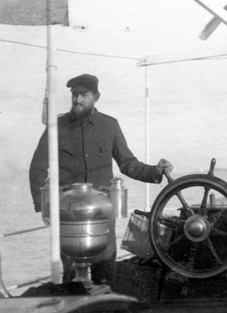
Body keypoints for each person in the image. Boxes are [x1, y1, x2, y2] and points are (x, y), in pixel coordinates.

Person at [29, 73, 173, 285]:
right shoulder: (56, 127)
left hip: (103, 212)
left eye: (83, 95)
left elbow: (128, 164)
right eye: (74, 95)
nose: (77, 100)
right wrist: (45, 205)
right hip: (69, 215)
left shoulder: (110, 125)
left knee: (105, 269)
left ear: (96, 96)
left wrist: (156, 171)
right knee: (72, 272)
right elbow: (37, 168)